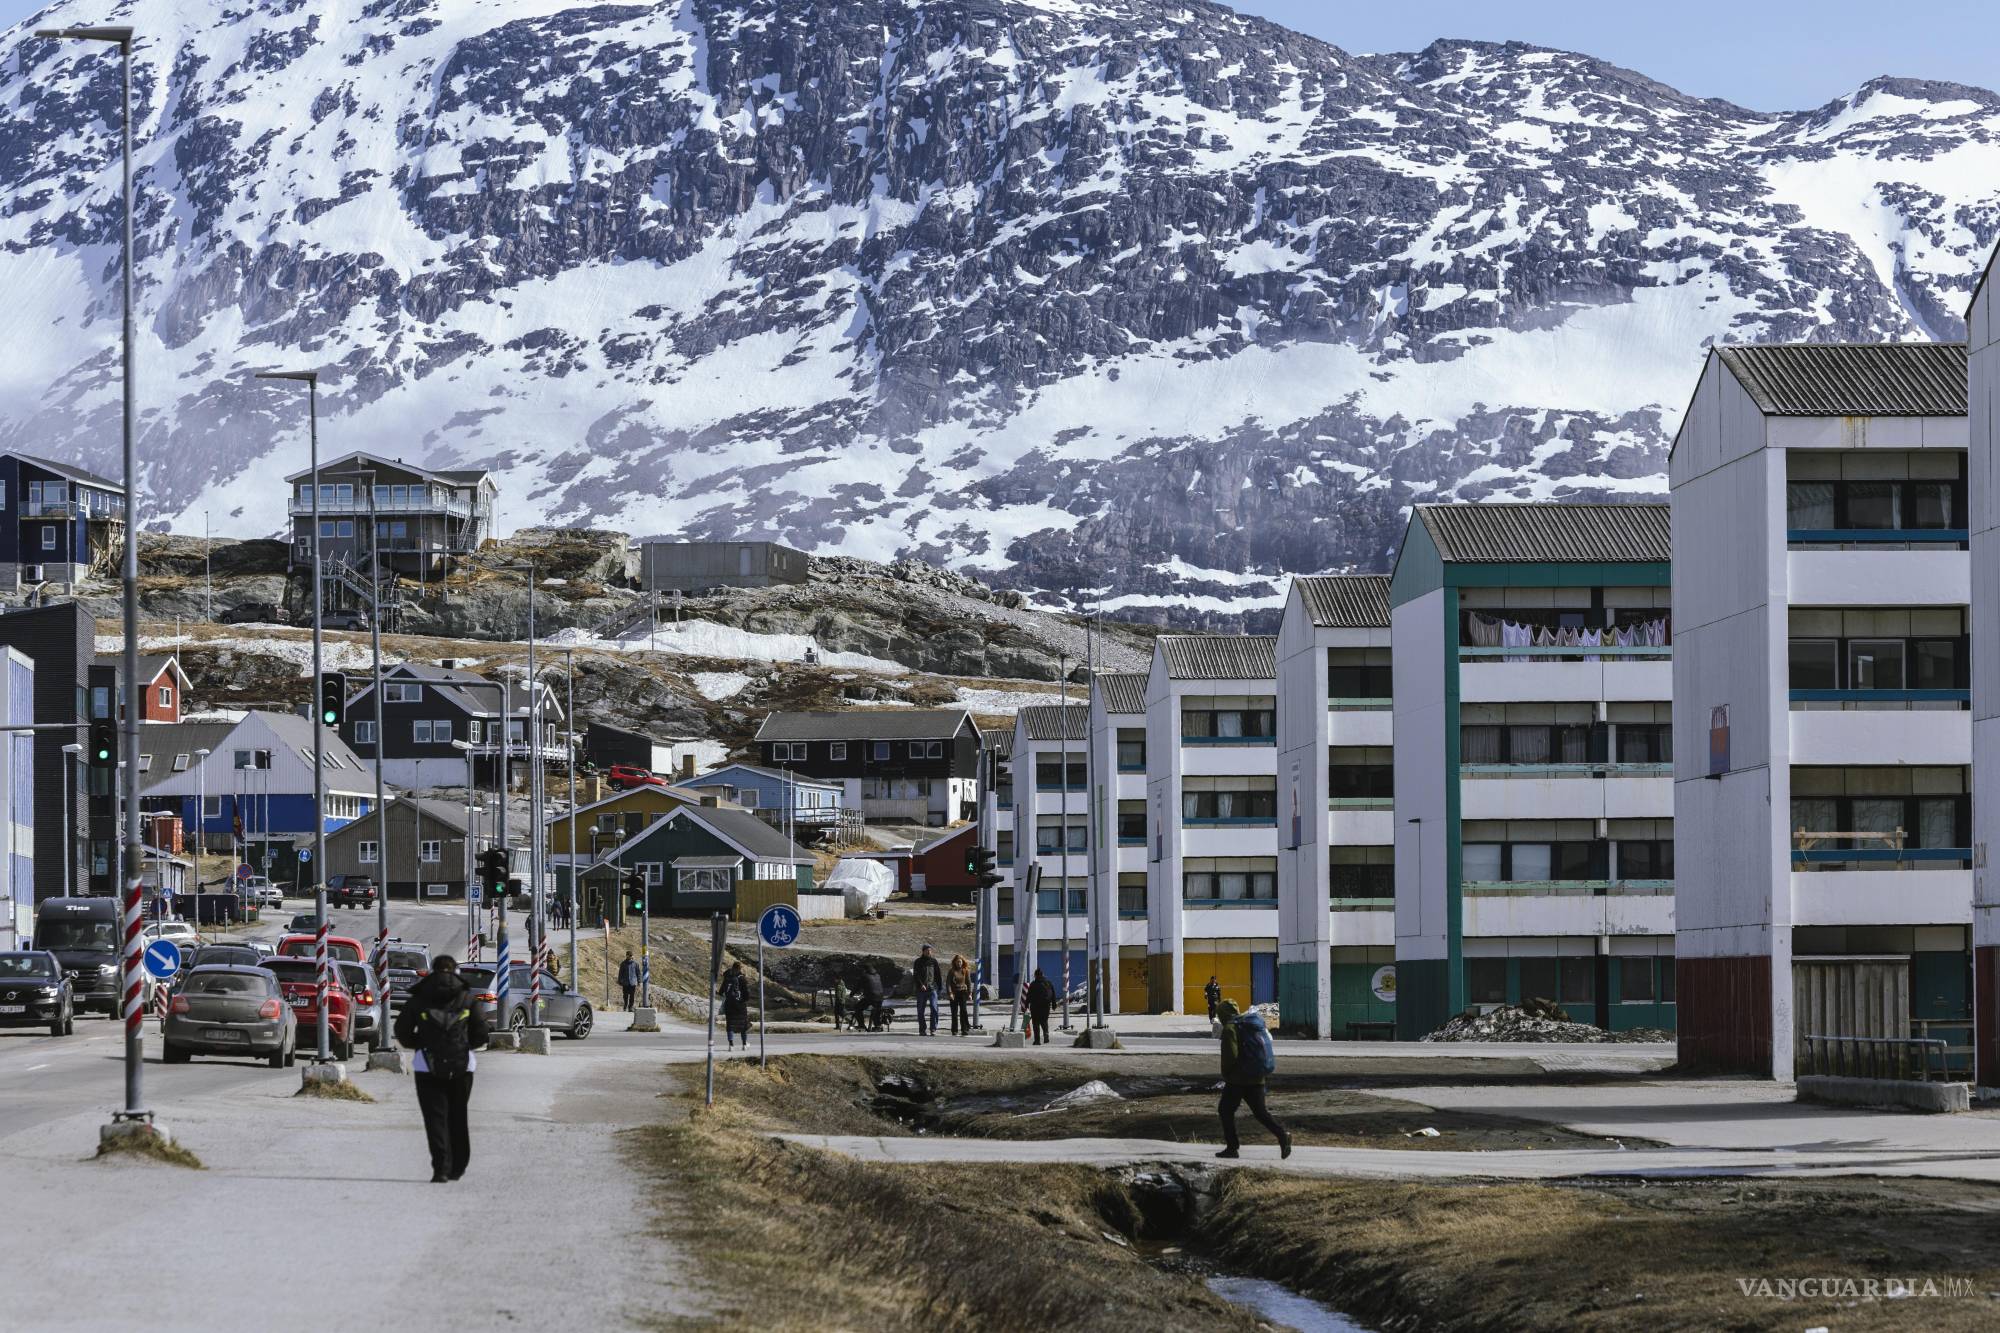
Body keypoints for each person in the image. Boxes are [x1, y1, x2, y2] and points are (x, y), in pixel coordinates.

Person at [395, 955, 490, 1183]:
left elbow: (402, 1031)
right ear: (455, 971)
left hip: (426, 1065)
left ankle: (441, 1168)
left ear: (433, 971)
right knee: (458, 1114)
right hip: (462, 1066)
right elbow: (482, 1033)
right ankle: (458, 1166)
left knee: (435, 1117)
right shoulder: (468, 998)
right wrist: (464, 1047)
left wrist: (420, 1044)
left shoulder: (420, 997)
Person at [1214, 999, 1291, 1160]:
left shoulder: (1230, 1029)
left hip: (1238, 1079)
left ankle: (1232, 1147)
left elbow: (1231, 1056)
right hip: (1257, 1077)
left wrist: (1226, 1074)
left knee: (1225, 1110)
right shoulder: (1247, 1024)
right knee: (1261, 1113)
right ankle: (1282, 1135)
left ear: (1223, 1014)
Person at [910, 944, 944, 1036]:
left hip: (932, 989)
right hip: (921, 990)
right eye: (927, 950)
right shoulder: (918, 962)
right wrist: (921, 985)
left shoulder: (933, 961)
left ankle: (933, 1028)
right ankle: (922, 1029)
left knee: (934, 1008)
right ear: (923, 951)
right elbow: (915, 975)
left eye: (930, 950)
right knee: (920, 1010)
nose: (929, 952)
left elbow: (938, 975)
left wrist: (940, 987)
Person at [719, 961, 752, 1049]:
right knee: (743, 1025)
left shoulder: (727, 977)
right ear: (740, 969)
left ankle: (731, 1045)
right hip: (740, 1006)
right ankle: (744, 1044)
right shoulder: (742, 978)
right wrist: (742, 1001)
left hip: (729, 1005)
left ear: (732, 967)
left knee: (730, 1025)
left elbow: (721, 991)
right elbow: (747, 995)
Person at [1025, 968, 1055, 1045]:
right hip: (1046, 1006)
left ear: (1035, 975)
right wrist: (1054, 1005)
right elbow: (1053, 994)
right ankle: (1046, 1035)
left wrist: (1026, 1006)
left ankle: (1037, 1040)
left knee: (1036, 1023)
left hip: (1035, 1006)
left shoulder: (1033, 984)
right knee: (1044, 1021)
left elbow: (1028, 996)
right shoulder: (1048, 983)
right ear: (1043, 974)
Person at [946, 953, 973, 1036]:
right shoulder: (951, 971)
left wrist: (970, 993)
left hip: (963, 993)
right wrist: (950, 993)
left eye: (960, 962)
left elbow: (968, 982)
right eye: (957, 962)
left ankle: (964, 1029)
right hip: (954, 993)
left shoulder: (965, 971)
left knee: (963, 1011)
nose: (959, 963)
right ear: (955, 962)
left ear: (962, 962)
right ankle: (954, 1030)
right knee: (954, 1012)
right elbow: (948, 983)